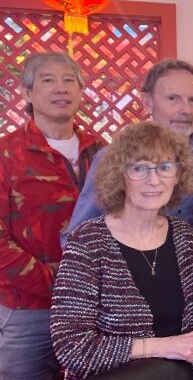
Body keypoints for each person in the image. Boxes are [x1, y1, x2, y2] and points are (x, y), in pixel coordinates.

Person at [50, 121, 193, 379]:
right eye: (139, 168)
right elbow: (72, 347)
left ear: (178, 174)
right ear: (120, 176)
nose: (154, 180)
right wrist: (161, 346)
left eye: (164, 167)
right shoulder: (88, 241)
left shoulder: (184, 236)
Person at [0, 52, 104, 380]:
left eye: (69, 80)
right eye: (48, 80)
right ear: (28, 94)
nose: (61, 88)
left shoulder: (101, 151)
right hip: (28, 309)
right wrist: (54, 282)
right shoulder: (7, 153)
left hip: (94, 306)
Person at [63, 58, 193, 246]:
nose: (186, 110)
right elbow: (76, 237)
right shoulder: (114, 159)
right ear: (147, 103)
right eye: (173, 99)